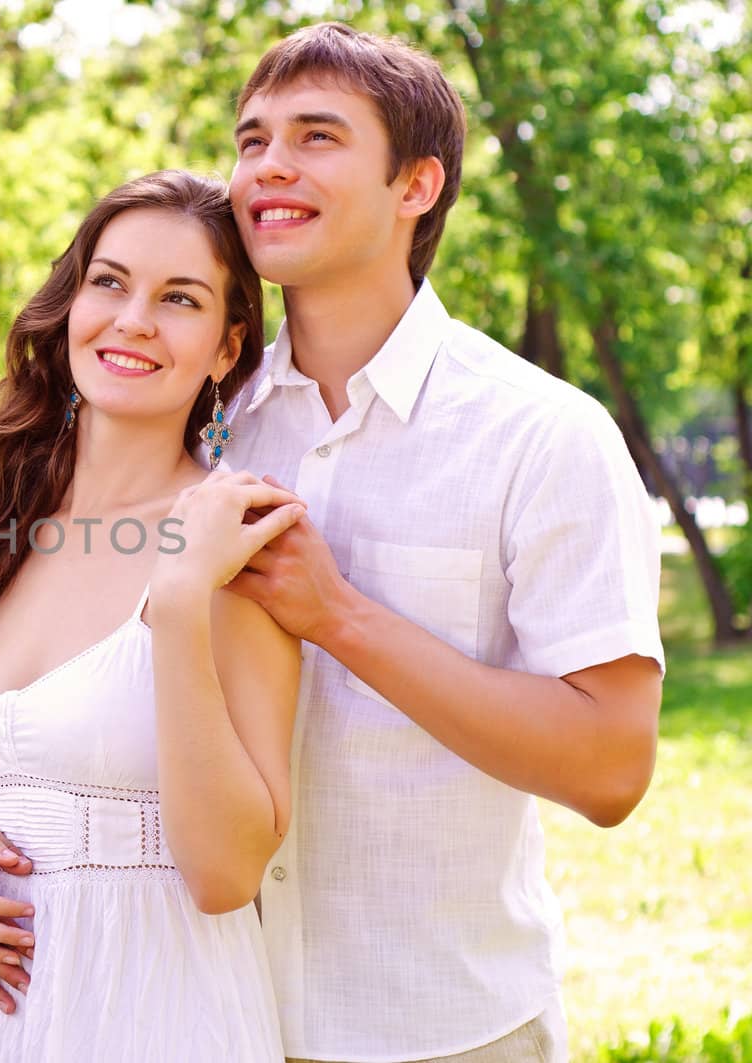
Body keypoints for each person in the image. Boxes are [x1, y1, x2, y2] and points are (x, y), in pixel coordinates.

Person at [216, 23, 665, 1063]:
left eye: (315, 136)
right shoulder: (202, 419)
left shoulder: (541, 435)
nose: (267, 166)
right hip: (206, 1013)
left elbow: (610, 766)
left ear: (416, 185)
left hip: (441, 1026)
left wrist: (340, 617)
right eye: (250, 140)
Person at [0, 169, 304, 1061]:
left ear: (226, 347)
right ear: (69, 308)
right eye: (110, 281)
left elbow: (225, 876)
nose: (133, 318)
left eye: (179, 298)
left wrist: (177, 601)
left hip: (161, 1013)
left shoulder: (237, 538)